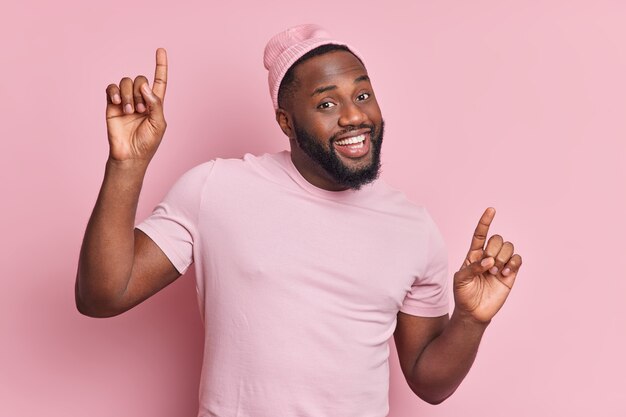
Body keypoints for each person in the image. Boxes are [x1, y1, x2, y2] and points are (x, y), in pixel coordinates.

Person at [75, 24, 523, 417]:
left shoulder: (413, 227)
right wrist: (127, 164)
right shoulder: (216, 189)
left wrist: (470, 319)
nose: (354, 116)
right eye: (326, 104)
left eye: (362, 95)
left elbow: (429, 384)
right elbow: (102, 295)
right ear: (286, 122)